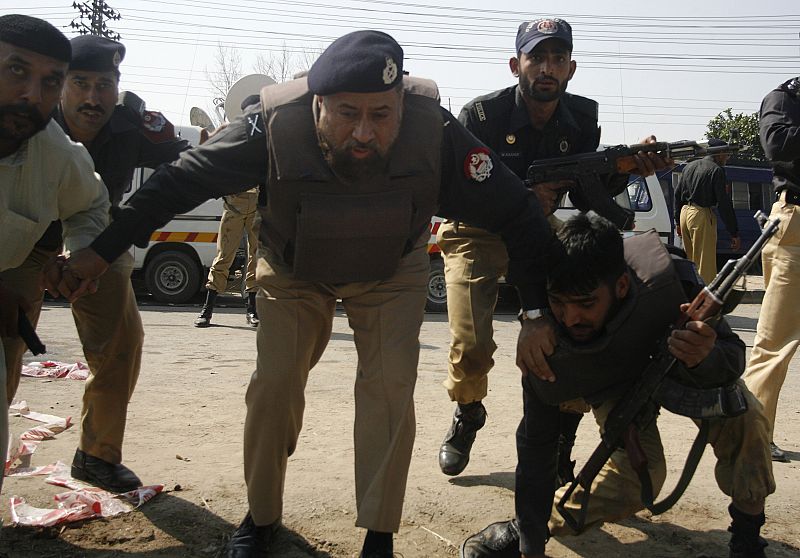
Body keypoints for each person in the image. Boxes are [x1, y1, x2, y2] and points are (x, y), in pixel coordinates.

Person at [58, 30, 559, 558]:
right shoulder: (272, 125)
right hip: (294, 269)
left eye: (381, 114)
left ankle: (379, 536)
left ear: (400, 103)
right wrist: (101, 251)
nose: (363, 132)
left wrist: (534, 312)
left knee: (390, 390)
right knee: (274, 387)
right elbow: (179, 181)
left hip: (390, 271)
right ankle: (261, 520)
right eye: (347, 113)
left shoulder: (432, 129)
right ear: (317, 103)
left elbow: (517, 209)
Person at [461, 213, 775, 558]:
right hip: (614, 384)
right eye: (559, 303)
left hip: (680, 370)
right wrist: (530, 538)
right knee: (638, 477)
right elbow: (536, 446)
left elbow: (732, 357)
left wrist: (705, 355)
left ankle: (747, 536)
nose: (571, 318)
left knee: (745, 418)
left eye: (586, 304)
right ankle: (534, 524)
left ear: (622, 286)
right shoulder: (544, 337)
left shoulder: (671, 283)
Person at [437, 17, 660, 479]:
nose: (547, 68)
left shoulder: (582, 119)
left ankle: (561, 436)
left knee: (578, 323)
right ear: (515, 64)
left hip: (540, 230)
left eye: (558, 58)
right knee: (471, 344)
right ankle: (469, 410)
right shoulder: (482, 117)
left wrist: (628, 169)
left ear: (571, 68)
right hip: (477, 232)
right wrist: (519, 195)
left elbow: (587, 193)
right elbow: (455, 189)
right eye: (536, 57)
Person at [2, 33, 190, 493]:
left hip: (97, 242)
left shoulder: (131, 127)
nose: (92, 97)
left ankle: (97, 455)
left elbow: (182, 161)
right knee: (6, 343)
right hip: (17, 244)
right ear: (62, 86)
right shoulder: (30, 122)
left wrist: (87, 255)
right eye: (80, 83)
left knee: (122, 341)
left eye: (104, 85)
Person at [0, 14, 110, 493]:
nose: (32, 95)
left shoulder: (55, 153)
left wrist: (82, 255)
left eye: (50, 82)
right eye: (16, 70)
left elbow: (91, 205)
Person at [744, 76, 800, 463]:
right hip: (795, 222)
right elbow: (776, 143)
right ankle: (751, 434)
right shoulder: (784, 97)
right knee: (774, 341)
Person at [195, 95, 262, 328]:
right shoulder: (235, 138)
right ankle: (207, 310)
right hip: (234, 205)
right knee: (224, 257)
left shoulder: (264, 141)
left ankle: (252, 310)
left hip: (257, 206)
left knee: (255, 259)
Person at [674, 138, 740, 284]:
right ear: (720, 153)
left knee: (690, 262)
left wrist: (677, 221)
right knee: (705, 262)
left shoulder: (689, 167)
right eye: (727, 154)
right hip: (701, 214)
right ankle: (705, 293)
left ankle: (691, 292)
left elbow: (677, 195)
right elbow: (723, 203)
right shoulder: (716, 170)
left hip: (685, 213)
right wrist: (734, 232)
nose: (727, 158)